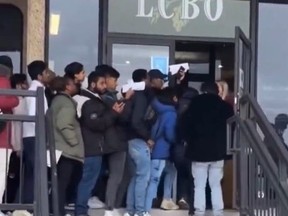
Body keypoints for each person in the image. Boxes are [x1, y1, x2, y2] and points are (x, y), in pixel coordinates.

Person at [75, 71, 124, 216]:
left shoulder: (92, 100)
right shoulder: (89, 102)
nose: (105, 86)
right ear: (92, 84)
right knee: (87, 182)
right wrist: (114, 113)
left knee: (88, 181)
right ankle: (81, 211)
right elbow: (96, 124)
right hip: (92, 148)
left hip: (94, 147)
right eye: (102, 83)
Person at [181, 82, 234, 216]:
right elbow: (232, 128)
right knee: (215, 185)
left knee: (199, 185)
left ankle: (199, 212)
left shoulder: (194, 104)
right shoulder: (225, 107)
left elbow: (185, 125)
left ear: (202, 91)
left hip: (198, 151)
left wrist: (187, 141)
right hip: (218, 152)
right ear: (217, 92)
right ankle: (218, 212)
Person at [98, 65, 134, 216]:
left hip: (120, 141)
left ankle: (116, 205)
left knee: (126, 174)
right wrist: (126, 100)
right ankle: (110, 207)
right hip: (114, 142)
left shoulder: (112, 97)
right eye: (114, 79)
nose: (117, 83)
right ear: (105, 79)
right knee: (116, 175)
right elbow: (122, 115)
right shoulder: (106, 98)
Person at [47, 76, 84, 216]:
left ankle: (54, 210)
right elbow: (64, 124)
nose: (76, 86)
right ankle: (59, 212)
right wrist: (74, 142)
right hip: (67, 150)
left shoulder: (56, 101)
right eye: (74, 84)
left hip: (58, 148)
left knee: (59, 183)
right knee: (63, 184)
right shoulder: (67, 103)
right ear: (67, 86)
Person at [124, 69, 154, 216]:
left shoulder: (131, 96)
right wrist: (147, 137)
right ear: (144, 79)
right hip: (138, 141)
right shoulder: (141, 97)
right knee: (143, 177)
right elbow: (137, 121)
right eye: (148, 79)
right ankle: (140, 211)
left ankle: (130, 211)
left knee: (135, 176)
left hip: (129, 140)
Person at [144, 87, 178, 216]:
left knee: (171, 170)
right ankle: (146, 209)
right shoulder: (171, 113)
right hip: (161, 152)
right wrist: (177, 140)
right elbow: (170, 134)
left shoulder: (160, 112)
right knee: (154, 180)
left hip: (157, 150)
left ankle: (166, 198)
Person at [22, 60, 50, 204]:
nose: (48, 75)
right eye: (46, 72)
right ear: (39, 76)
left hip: (29, 135)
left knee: (31, 173)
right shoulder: (36, 91)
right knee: (36, 173)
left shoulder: (33, 90)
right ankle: (27, 205)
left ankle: (24, 205)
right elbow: (35, 115)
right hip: (34, 136)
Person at [2, 74, 28, 204]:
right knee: (11, 177)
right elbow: (17, 124)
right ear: (18, 85)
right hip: (13, 144)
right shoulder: (16, 101)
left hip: (13, 144)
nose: (26, 85)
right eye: (24, 83)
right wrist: (18, 146)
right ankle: (8, 204)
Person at [0, 64, 19, 216]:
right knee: (0, 176)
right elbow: (6, 101)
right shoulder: (3, 81)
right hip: (2, 140)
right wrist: (15, 98)